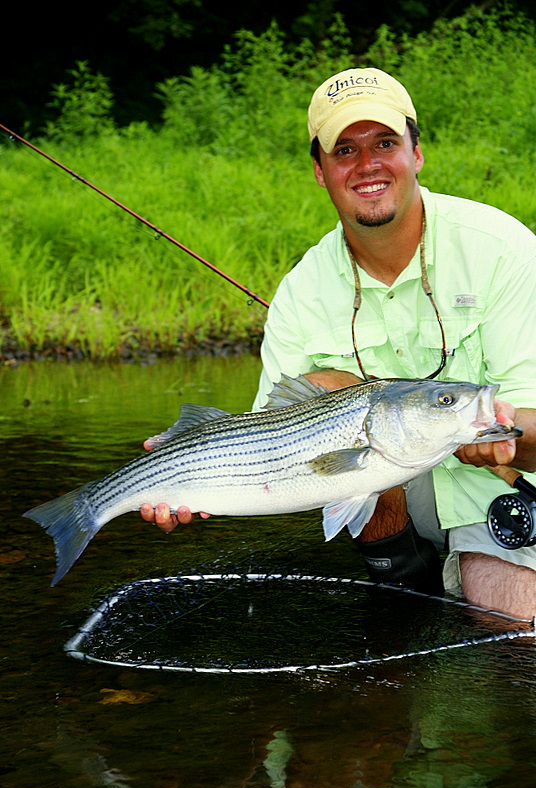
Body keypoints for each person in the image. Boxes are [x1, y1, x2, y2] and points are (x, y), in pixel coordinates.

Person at [141, 67, 536, 620]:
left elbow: (532, 420)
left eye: (385, 143)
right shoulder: (300, 293)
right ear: (320, 171)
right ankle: (404, 598)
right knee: (330, 394)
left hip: (499, 490)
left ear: (416, 154)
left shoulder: (503, 250)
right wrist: (192, 475)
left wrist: (506, 433)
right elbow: (270, 447)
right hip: (389, 486)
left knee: (518, 628)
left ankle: (454, 581)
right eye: (344, 149)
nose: (368, 165)